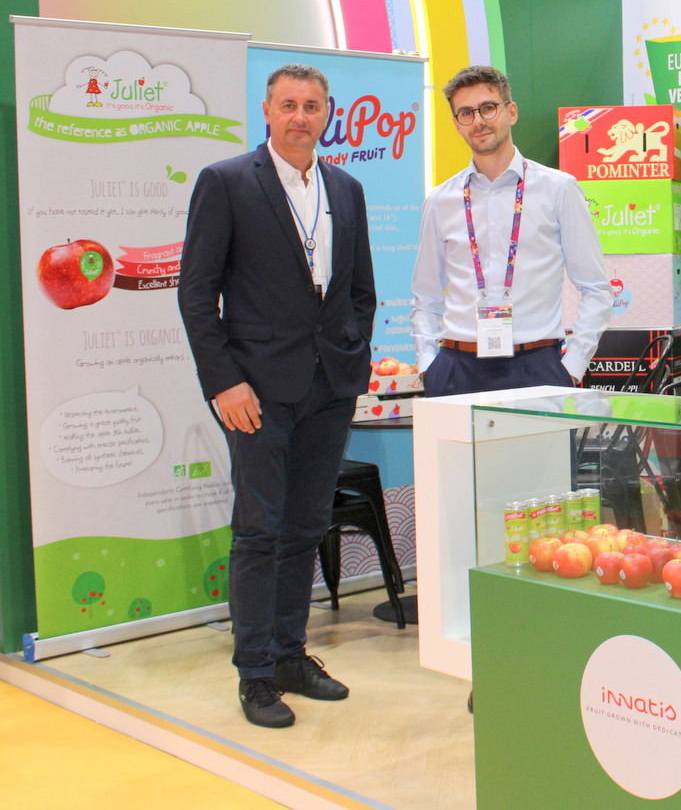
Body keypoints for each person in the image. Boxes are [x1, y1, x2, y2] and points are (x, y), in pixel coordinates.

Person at [178, 63, 376, 729]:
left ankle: (291, 654)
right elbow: (196, 294)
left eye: (311, 106)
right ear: (266, 110)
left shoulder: (346, 188)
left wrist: (354, 354)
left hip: (330, 387)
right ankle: (256, 673)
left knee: (305, 526)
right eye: (288, 104)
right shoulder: (227, 182)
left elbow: (360, 290)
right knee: (260, 531)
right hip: (255, 391)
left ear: (328, 114)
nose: (300, 116)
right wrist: (223, 381)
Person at [410, 65, 611, 396]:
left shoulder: (558, 189)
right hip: (457, 369)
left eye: (488, 108)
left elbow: (596, 288)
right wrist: (429, 365)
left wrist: (572, 367)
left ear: (511, 112)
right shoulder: (440, 200)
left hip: (537, 365)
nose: (478, 121)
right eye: (466, 113)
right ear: (457, 124)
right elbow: (426, 296)